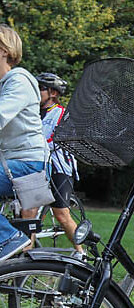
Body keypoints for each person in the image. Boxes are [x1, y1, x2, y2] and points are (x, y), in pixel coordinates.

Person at [0, 25, 50, 260]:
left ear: (3, 50)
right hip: (12, 162)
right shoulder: (4, 84)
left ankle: (8, 238)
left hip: (27, 164)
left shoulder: (19, 80)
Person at [36, 72, 83, 254]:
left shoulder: (61, 114)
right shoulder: (33, 113)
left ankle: (81, 252)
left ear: (53, 93)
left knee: (62, 215)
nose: (36, 92)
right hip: (37, 167)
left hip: (59, 167)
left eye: (41, 88)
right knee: (28, 214)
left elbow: (51, 139)